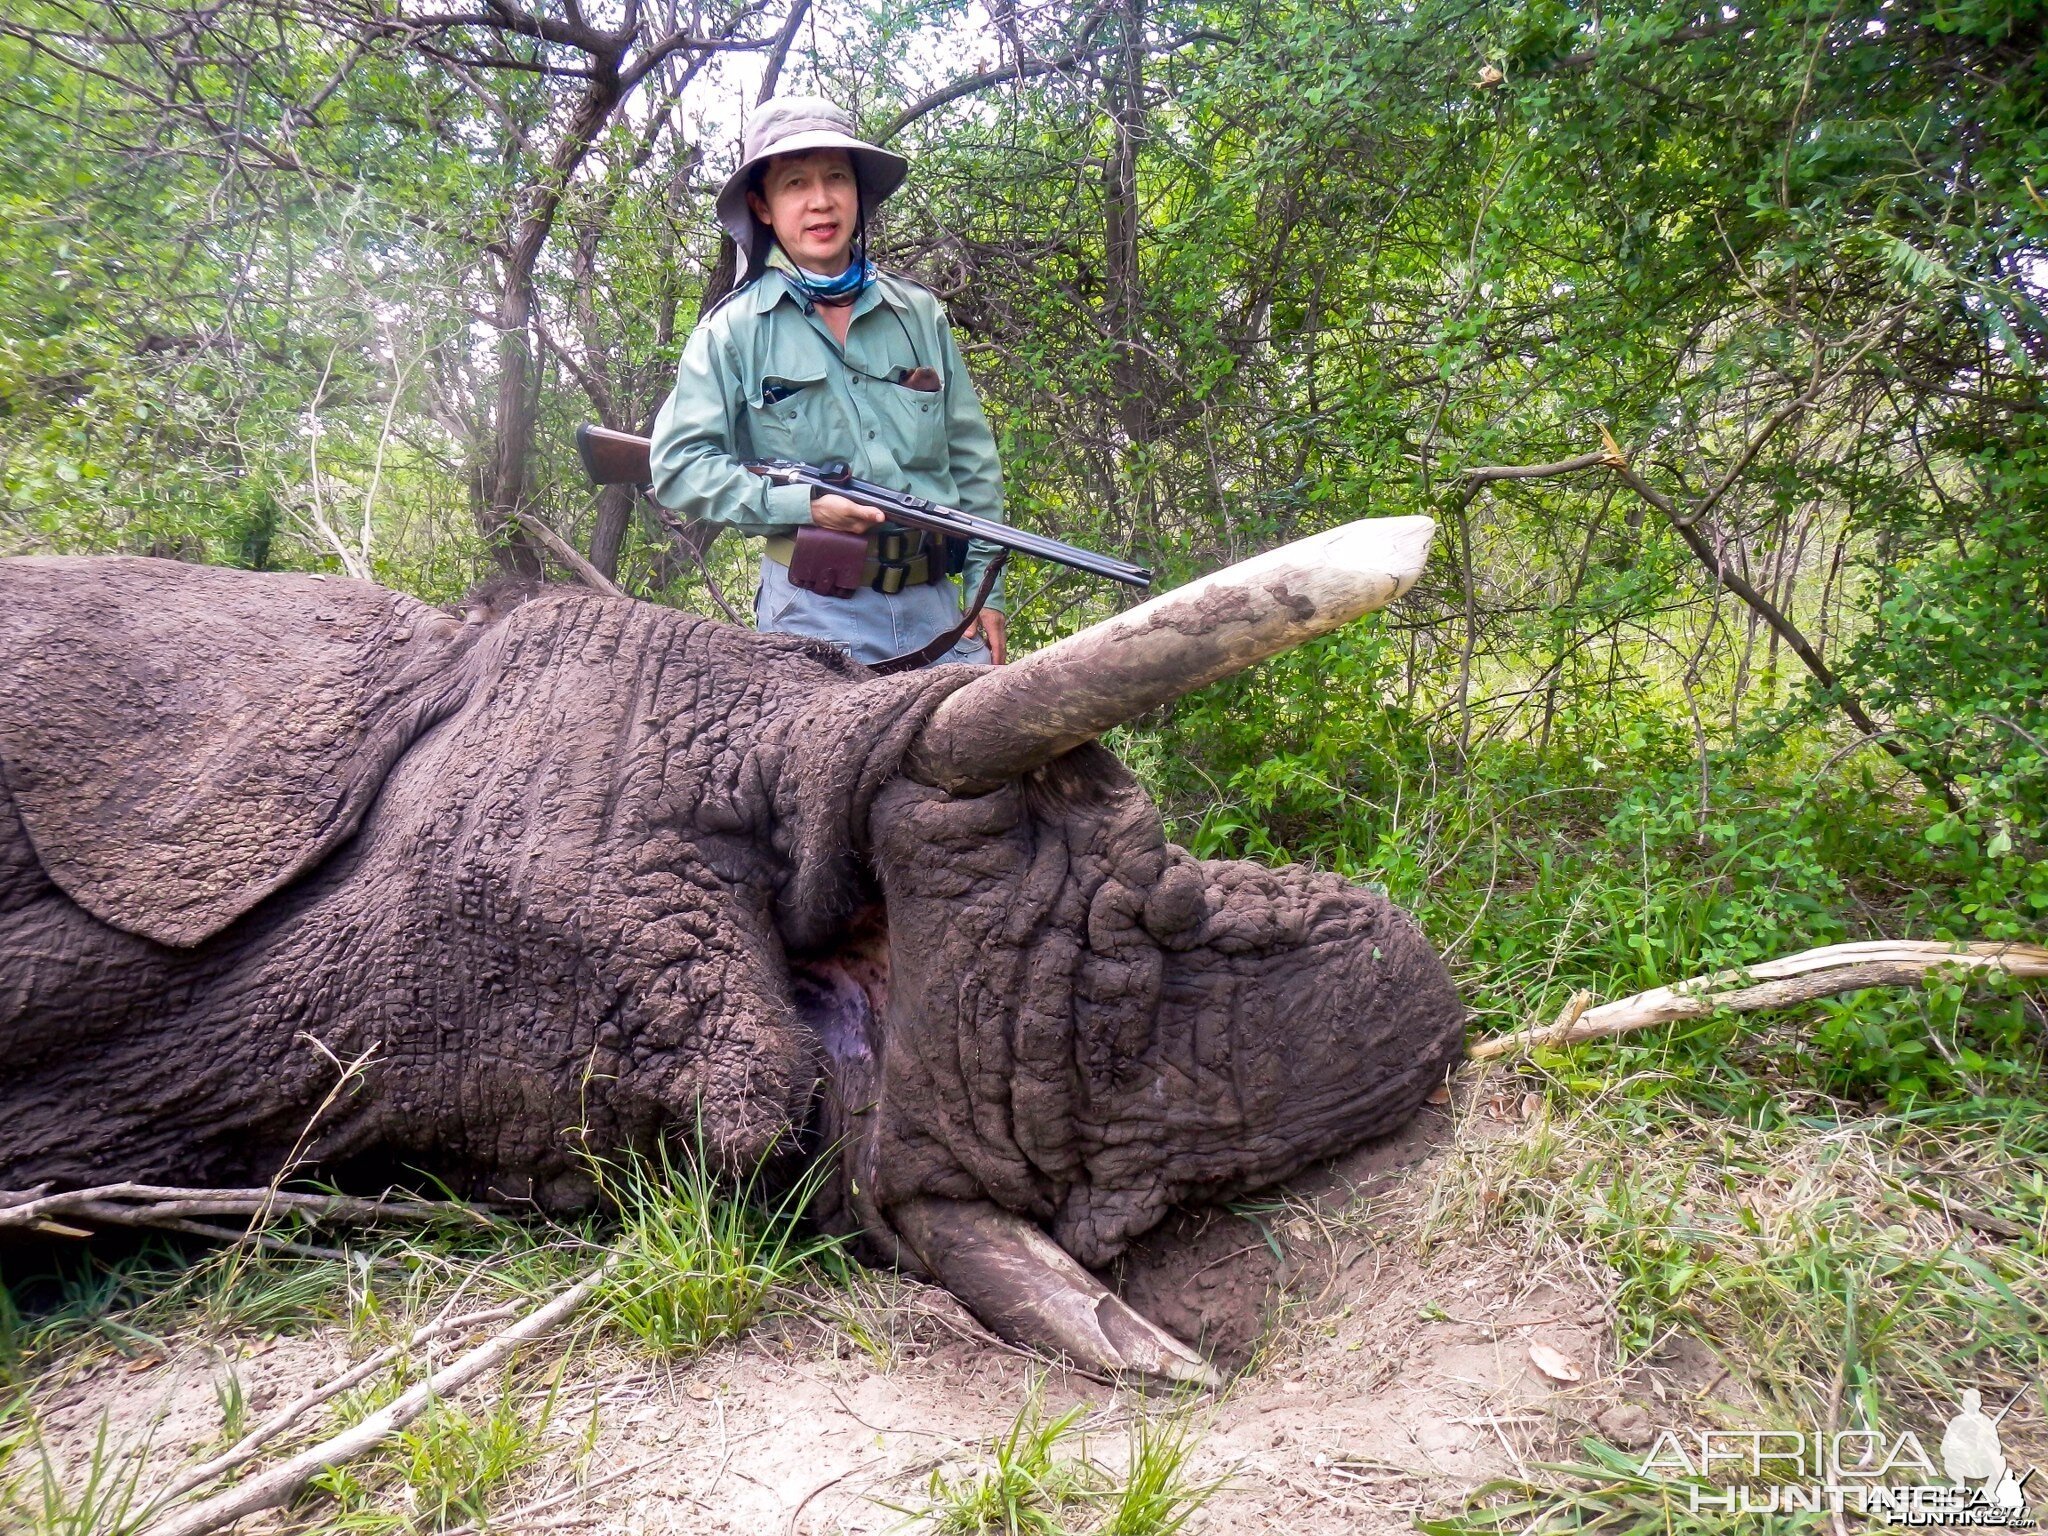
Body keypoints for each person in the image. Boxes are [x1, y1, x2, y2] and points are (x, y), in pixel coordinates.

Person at [648, 96, 1007, 666]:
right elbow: (678, 468)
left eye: (836, 177)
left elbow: (972, 461)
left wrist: (990, 593)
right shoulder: (730, 333)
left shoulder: (919, 314)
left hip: (941, 615)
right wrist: (804, 505)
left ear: (858, 193)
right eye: (795, 183)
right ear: (762, 206)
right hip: (811, 617)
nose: (821, 201)